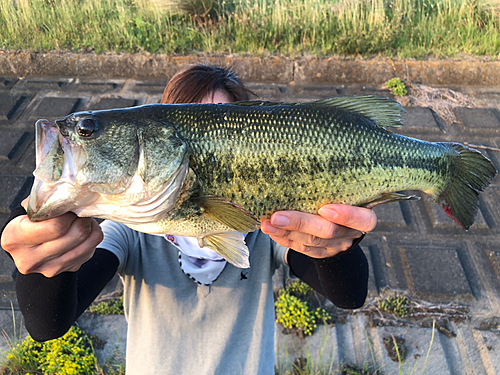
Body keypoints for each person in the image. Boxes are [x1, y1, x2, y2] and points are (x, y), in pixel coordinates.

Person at [1, 65, 377, 374]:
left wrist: (337, 245)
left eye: (87, 132)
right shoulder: (130, 230)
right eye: (192, 123)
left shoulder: (266, 227)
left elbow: (349, 294)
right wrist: (46, 263)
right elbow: (48, 324)